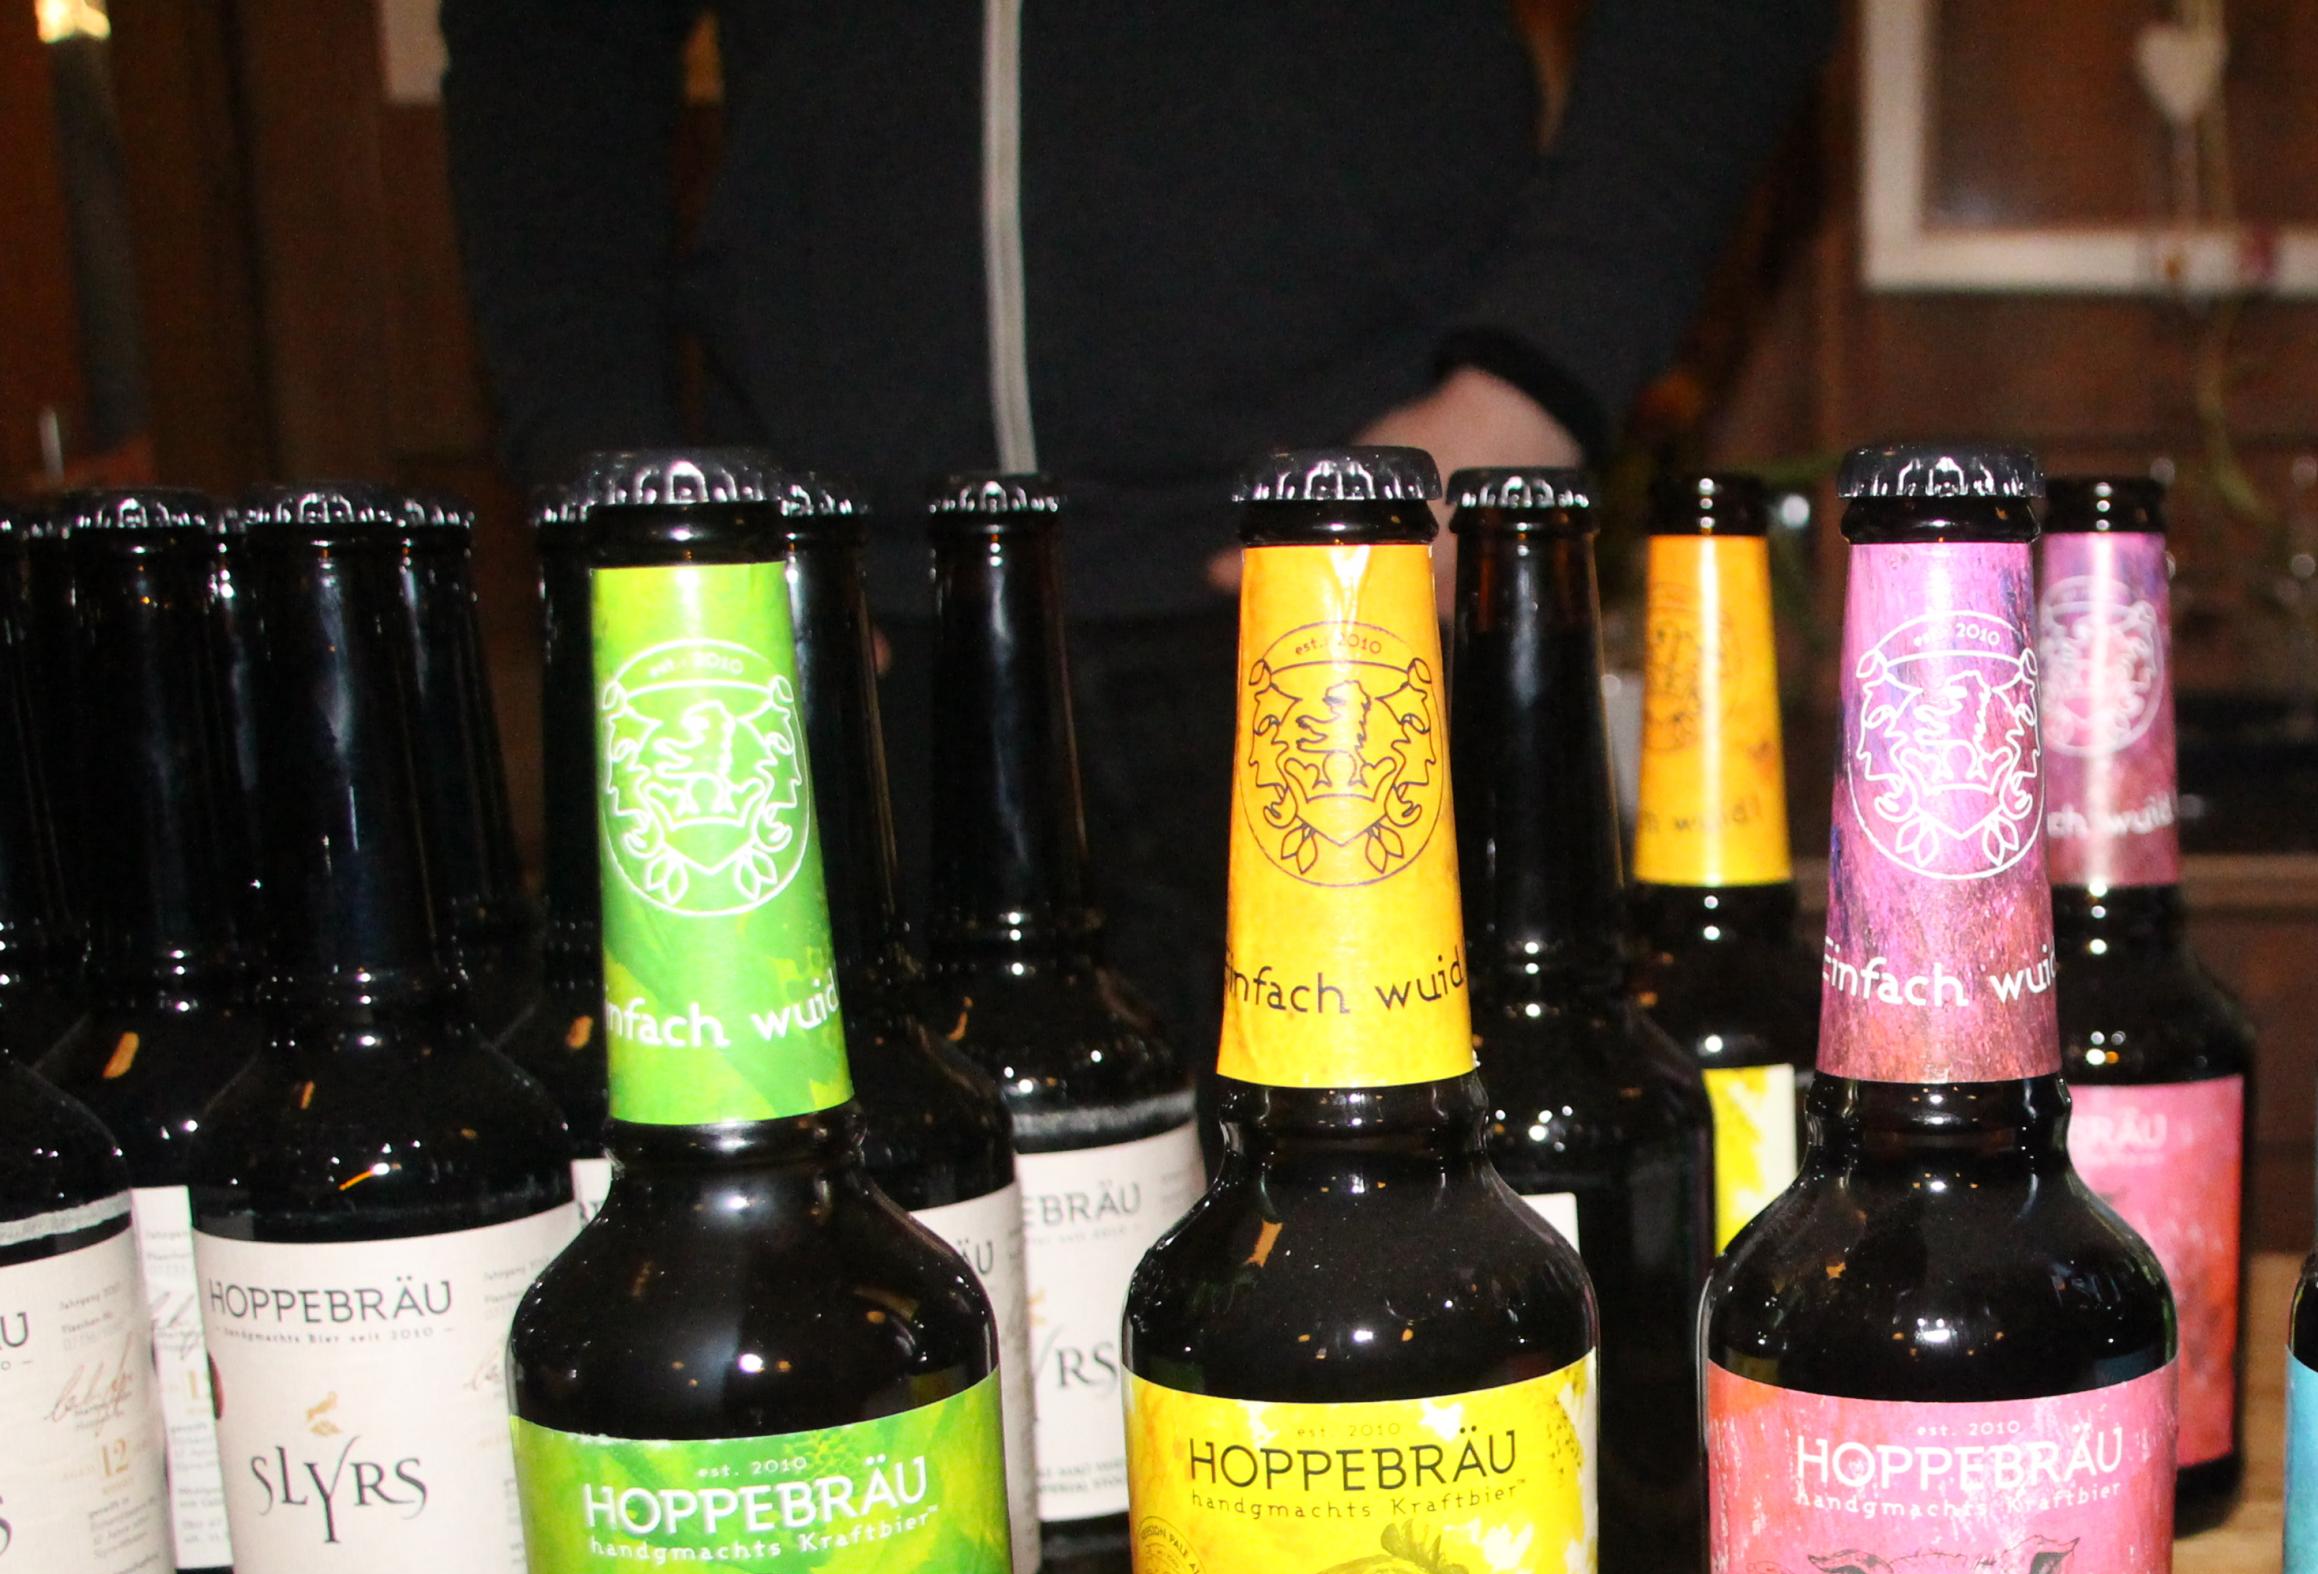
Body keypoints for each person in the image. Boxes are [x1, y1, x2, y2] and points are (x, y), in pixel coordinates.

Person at [439, 0, 1837, 1042]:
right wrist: (612, 482)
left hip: (1350, 594)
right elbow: (543, 42)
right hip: (840, 646)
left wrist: (1533, 384)